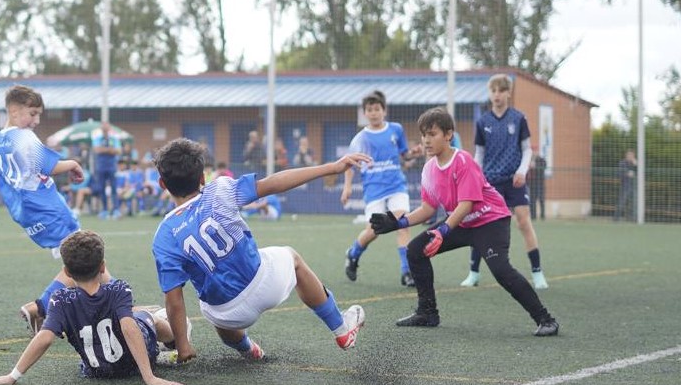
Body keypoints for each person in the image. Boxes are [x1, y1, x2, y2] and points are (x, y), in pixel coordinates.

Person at [152, 138, 369, 362]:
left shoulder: (164, 234)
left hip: (228, 315)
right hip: (266, 284)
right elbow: (275, 183)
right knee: (292, 257)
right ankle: (341, 329)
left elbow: (173, 298)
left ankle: (248, 350)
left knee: (210, 307)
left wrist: (184, 346)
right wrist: (332, 167)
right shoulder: (220, 189)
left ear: (162, 184)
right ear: (201, 178)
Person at [369, 107, 559, 336]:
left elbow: (466, 204)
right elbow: (428, 209)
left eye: (433, 134)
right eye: (423, 135)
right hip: (461, 223)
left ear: (448, 135)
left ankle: (546, 319)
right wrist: (397, 223)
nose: (426, 140)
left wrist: (443, 231)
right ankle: (427, 312)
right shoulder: (429, 169)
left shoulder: (463, 160)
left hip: (491, 221)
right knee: (415, 250)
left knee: (501, 270)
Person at [0, 85, 109, 335]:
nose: (36, 120)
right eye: (32, 113)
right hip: (48, 209)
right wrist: (73, 163)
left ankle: (59, 309)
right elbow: (48, 166)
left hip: (26, 214)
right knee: (86, 261)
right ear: (14, 111)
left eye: (39, 114)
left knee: (80, 261)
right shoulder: (24, 137)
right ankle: (43, 307)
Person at [0, 230, 186, 385]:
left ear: (66, 271)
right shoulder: (119, 288)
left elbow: (45, 338)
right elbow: (129, 327)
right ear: (103, 266)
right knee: (149, 318)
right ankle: (173, 343)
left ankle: (164, 343)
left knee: (128, 320)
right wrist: (148, 377)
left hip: (96, 371)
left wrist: (12, 376)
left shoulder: (60, 298)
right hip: (136, 362)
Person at [461, 74, 548, 290]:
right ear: (489, 94)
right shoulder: (482, 122)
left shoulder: (519, 118)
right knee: (480, 224)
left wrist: (522, 171)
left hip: (514, 181)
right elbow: (479, 154)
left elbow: (527, 149)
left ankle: (537, 273)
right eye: (493, 91)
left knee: (523, 221)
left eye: (501, 90)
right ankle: (473, 273)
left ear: (508, 93)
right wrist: (476, 176)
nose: (497, 95)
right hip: (490, 182)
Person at [340, 90, 416, 287]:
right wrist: (347, 186)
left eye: (377, 109)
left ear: (384, 110)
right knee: (373, 232)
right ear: (365, 113)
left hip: (396, 186)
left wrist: (413, 153)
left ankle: (407, 272)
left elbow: (404, 155)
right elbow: (349, 164)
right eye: (369, 110)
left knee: (403, 224)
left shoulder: (396, 130)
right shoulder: (360, 139)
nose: (373, 113)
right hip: (374, 189)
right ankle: (353, 253)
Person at [92, 121, 122, 219]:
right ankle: (104, 210)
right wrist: (110, 150)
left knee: (114, 188)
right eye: (103, 125)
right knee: (101, 188)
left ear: (109, 127)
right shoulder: (97, 138)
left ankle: (116, 210)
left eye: (107, 125)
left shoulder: (114, 138)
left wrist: (104, 149)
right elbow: (97, 150)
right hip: (101, 167)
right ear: (101, 127)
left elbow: (118, 151)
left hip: (112, 167)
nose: (105, 127)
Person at [614, 149, 637, 222]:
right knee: (621, 202)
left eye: (631, 155)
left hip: (635, 186)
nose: (630, 156)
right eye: (628, 154)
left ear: (634, 156)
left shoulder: (636, 163)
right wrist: (627, 173)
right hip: (625, 186)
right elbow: (619, 173)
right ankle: (616, 219)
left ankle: (632, 219)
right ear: (626, 155)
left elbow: (638, 173)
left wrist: (635, 165)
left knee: (634, 203)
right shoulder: (622, 163)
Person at [528, 148, 547, 221]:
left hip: (540, 183)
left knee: (541, 199)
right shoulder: (529, 160)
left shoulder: (541, 160)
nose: (534, 153)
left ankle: (542, 215)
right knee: (532, 200)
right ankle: (533, 216)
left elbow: (543, 167)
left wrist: (535, 166)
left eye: (536, 151)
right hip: (532, 184)